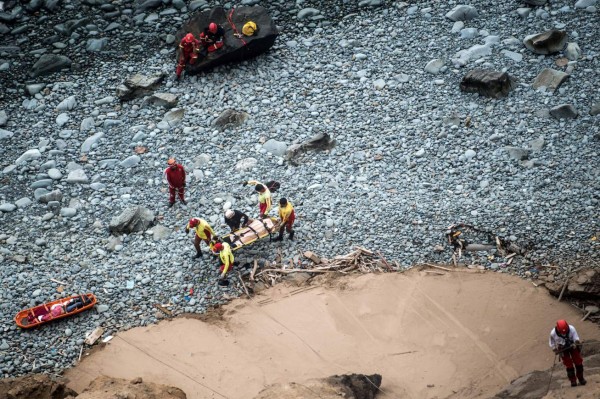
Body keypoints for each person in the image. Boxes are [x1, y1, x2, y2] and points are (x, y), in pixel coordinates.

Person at [549, 319, 586, 387]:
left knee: (578, 362)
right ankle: (573, 381)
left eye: (565, 332)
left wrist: (576, 343)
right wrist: (555, 350)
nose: (564, 334)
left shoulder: (572, 329)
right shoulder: (553, 333)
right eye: (562, 333)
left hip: (572, 346)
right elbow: (552, 343)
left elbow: (576, 338)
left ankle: (581, 378)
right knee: (568, 365)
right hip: (562, 348)